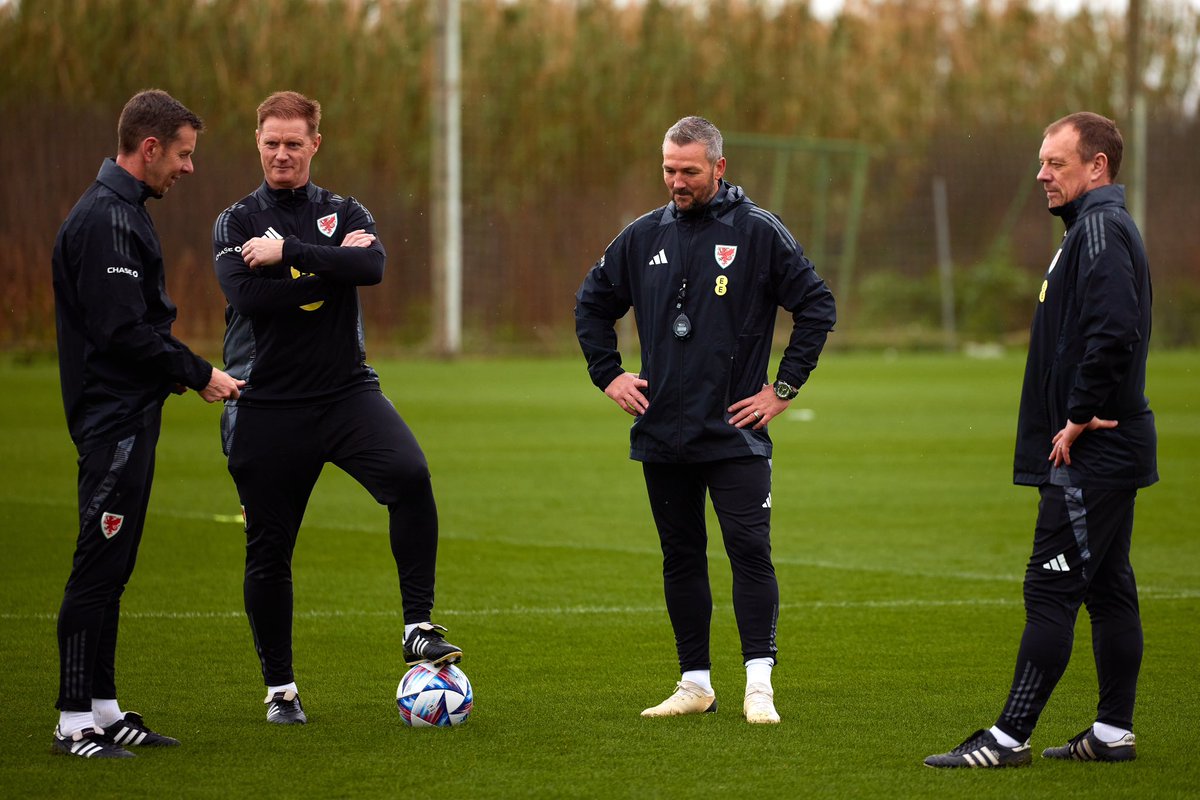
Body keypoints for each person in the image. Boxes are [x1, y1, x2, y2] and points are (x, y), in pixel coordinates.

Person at [575, 116, 836, 725]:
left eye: (689, 171)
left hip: (735, 431)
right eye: (669, 169)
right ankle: (695, 683)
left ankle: (758, 685)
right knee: (681, 555)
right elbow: (592, 304)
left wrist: (782, 389)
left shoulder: (758, 231)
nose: (677, 181)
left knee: (749, 550)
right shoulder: (643, 235)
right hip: (662, 432)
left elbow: (816, 305)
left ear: (719, 167)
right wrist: (609, 374)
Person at [212, 91, 460, 726]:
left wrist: (290, 256)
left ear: (315, 144)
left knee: (411, 476)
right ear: (257, 141)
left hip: (347, 393)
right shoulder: (236, 221)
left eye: (294, 142)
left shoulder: (344, 209)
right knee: (270, 550)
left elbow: (371, 266)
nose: (282, 153)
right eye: (272, 142)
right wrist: (331, 269)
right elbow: (249, 298)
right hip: (266, 404)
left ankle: (418, 626)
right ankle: (281, 690)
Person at [925, 112, 1157, 768]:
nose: (1042, 175)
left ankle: (1007, 738)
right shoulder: (1089, 228)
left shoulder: (1100, 228)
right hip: (1106, 448)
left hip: (1094, 450)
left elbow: (1116, 328)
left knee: (1050, 589)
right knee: (1108, 587)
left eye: (1056, 163)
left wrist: (1081, 413)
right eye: (1041, 161)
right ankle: (1112, 732)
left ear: (1097, 166)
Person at [50, 89, 244, 758]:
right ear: (150, 147)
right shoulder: (105, 219)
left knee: (116, 566)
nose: (188, 168)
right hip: (112, 420)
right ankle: (73, 721)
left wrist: (183, 374)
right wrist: (198, 372)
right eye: (183, 155)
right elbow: (122, 331)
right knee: (97, 564)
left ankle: (104, 710)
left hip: (132, 415)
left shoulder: (124, 212)